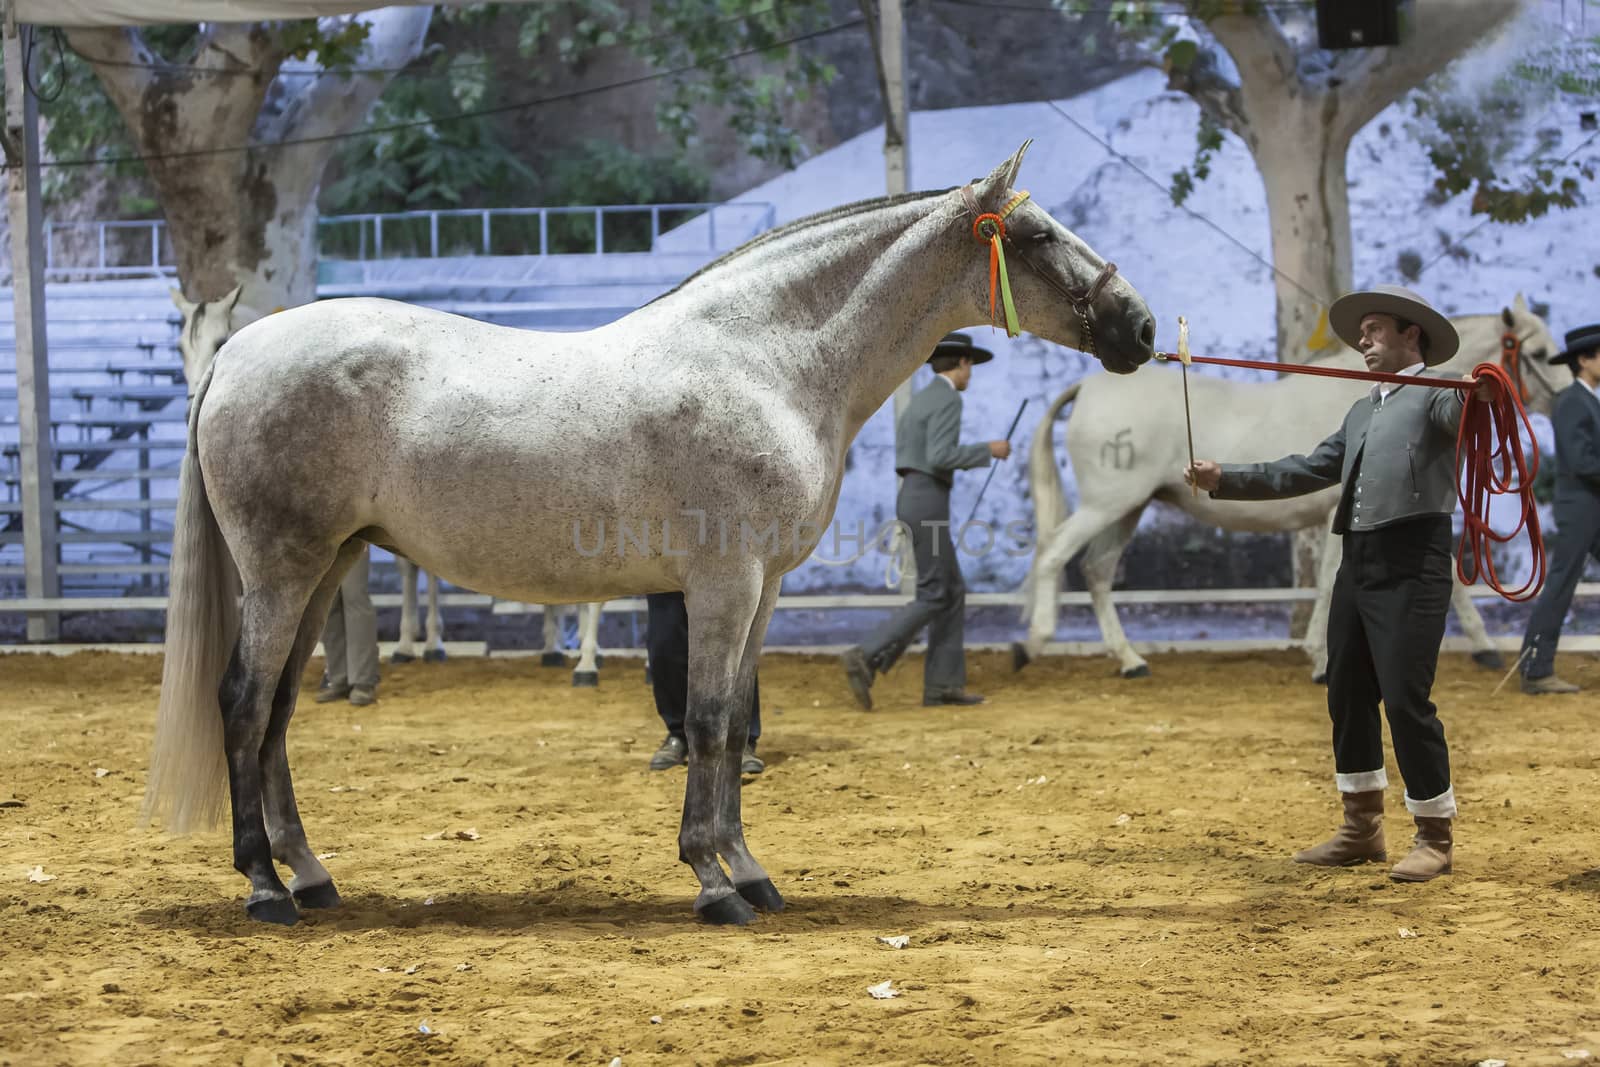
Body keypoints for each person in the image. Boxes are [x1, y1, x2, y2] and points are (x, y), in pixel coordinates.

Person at [1186, 285, 1485, 884]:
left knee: (1405, 698)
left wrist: (1476, 391)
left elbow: (1468, 419)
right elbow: (1306, 468)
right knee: (1346, 691)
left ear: (1411, 336)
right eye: (1362, 331)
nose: (1364, 341)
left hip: (1413, 559)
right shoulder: (1361, 411)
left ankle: (1435, 835)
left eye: (1376, 330)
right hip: (1359, 560)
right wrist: (1227, 478)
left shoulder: (1440, 394)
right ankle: (1362, 828)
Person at [839, 332, 1011, 710]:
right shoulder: (948, 399)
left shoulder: (923, 399)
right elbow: (940, 455)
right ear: (962, 363)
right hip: (928, 499)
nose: (970, 374)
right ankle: (866, 655)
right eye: (970, 367)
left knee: (950, 589)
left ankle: (942, 685)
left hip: (917, 497)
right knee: (937, 591)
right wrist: (989, 450)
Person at [1518, 322, 1600, 695]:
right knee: (1561, 585)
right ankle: (1536, 669)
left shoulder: (1590, 400)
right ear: (1585, 360)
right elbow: (1583, 462)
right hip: (1581, 507)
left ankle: (1537, 667)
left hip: (1592, 506)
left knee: (1563, 582)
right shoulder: (1571, 401)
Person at [644, 592, 764, 776]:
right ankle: (679, 733)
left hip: (723, 570)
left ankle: (739, 739)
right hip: (665, 572)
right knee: (664, 645)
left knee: (733, 644)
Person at [315, 545, 380, 706]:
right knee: (329, 603)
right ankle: (338, 679)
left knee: (355, 598)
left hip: (354, 533)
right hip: (324, 537)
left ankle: (363, 681)